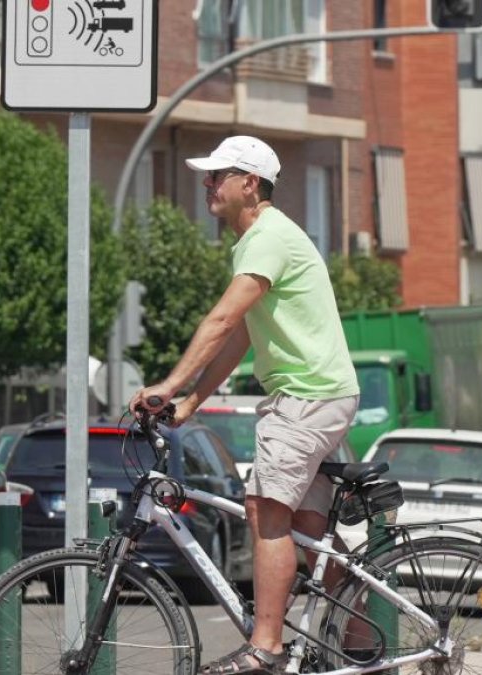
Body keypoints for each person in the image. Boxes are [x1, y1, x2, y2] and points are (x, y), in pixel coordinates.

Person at [130, 135, 360, 675]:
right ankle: (366, 646)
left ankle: (266, 647)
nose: (207, 184)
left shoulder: (267, 237)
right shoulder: (262, 240)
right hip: (319, 393)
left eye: (217, 175)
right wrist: (190, 402)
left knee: (265, 514)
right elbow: (242, 339)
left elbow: (221, 322)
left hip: (306, 395)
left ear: (249, 184)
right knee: (309, 531)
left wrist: (167, 383)